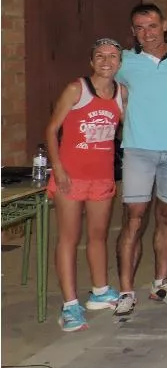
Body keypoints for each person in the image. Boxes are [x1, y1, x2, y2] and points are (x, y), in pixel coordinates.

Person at [114, 3, 167, 319]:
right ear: (133, 31)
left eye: (152, 25)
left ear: (164, 25)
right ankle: (126, 291)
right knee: (134, 219)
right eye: (139, 28)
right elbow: (112, 93)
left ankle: (161, 283)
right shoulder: (124, 61)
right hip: (139, 150)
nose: (147, 33)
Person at [45, 39, 127, 330]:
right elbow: (52, 129)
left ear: (120, 63)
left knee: (98, 236)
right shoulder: (77, 89)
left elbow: (130, 127)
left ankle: (100, 291)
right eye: (100, 56)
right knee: (69, 238)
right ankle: (69, 305)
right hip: (71, 176)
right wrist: (58, 168)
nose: (107, 61)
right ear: (92, 62)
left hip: (101, 178)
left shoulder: (121, 93)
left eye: (113, 56)